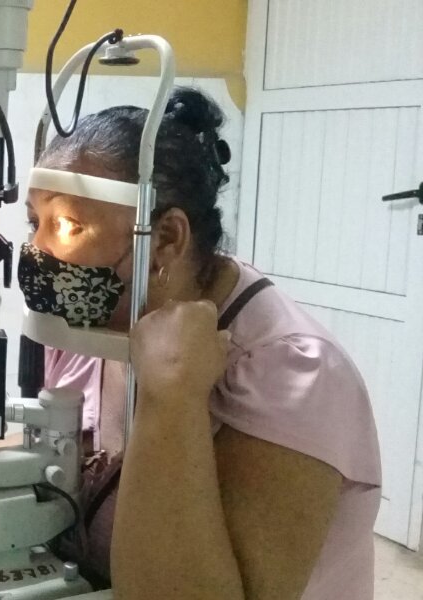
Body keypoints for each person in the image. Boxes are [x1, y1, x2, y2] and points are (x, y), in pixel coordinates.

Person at [23, 88, 381, 599]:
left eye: (68, 226)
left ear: (165, 238)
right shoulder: (88, 326)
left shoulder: (294, 376)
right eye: (35, 223)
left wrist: (173, 398)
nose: (39, 251)